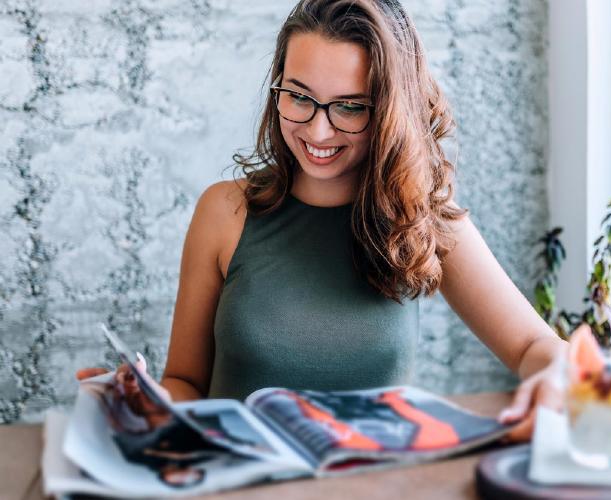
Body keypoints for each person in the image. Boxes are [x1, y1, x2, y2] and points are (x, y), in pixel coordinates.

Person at [77, 0, 569, 442]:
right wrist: (148, 404)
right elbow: (185, 382)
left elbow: (535, 346)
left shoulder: (422, 218)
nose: (317, 129)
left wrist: (555, 375)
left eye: (350, 107)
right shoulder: (224, 213)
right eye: (298, 96)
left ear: (390, 110)